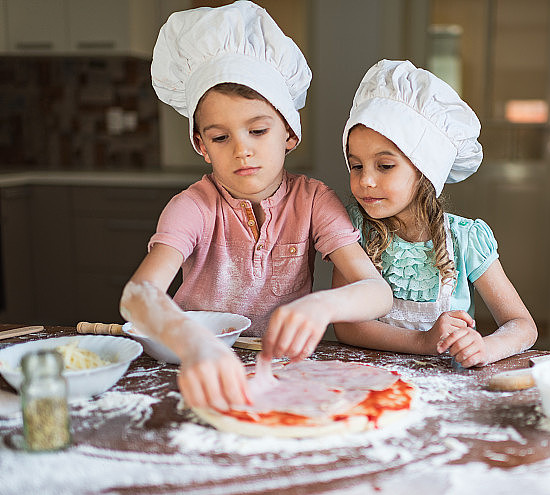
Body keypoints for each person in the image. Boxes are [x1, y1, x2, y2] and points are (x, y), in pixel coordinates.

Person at [120, 1, 392, 411]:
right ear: (201, 146)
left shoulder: (314, 201)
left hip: (282, 375)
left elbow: (377, 292)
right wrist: (194, 343)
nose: (242, 150)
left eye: (258, 130)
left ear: (290, 133)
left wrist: (323, 305)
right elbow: (138, 296)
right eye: (221, 137)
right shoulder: (193, 206)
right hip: (197, 372)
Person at [332, 60, 537, 368]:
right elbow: (347, 326)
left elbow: (522, 325)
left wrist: (486, 347)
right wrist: (422, 342)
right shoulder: (353, 230)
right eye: (356, 165)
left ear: (425, 171)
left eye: (385, 166)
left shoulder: (465, 240)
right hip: (372, 382)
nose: (366, 180)